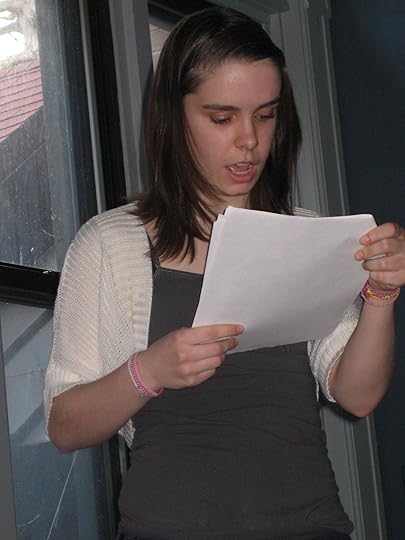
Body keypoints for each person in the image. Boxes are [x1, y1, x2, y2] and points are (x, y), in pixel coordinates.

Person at [44, 6, 405, 540]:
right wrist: (149, 371)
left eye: (266, 115)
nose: (249, 140)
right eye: (221, 118)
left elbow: (357, 395)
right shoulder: (109, 244)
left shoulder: (304, 235)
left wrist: (381, 293)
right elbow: (64, 425)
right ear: (174, 117)